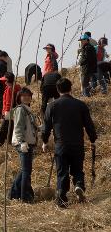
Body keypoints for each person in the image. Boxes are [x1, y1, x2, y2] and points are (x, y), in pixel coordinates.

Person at [42, 78, 97, 208]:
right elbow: (89, 125)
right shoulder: (80, 105)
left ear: (57, 90)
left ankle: (62, 198)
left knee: (62, 171)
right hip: (77, 143)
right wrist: (93, 139)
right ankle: (79, 185)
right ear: (70, 88)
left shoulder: (52, 106)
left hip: (61, 144)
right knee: (78, 169)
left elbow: (46, 126)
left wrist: (45, 141)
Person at [9, 87, 38, 203]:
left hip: (28, 143)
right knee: (26, 171)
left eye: (28, 95)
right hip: (23, 143)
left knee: (25, 170)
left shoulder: (28, 110)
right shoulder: (21, 109)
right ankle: (25, 196)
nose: (27, 97)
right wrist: (21, 142)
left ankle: (13, 194)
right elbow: (18, 127)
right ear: (19, 98)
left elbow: (30, 127)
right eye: (24, 96)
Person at [0, 72, 21, 146]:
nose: (4, 82)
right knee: (11, 127)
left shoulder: (10, 89)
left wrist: (6, 111)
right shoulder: (17, 87)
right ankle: (10, 142)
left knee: (4, 127)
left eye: (5, 80)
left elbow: (9, 101)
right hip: (16, 110)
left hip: (9, 111)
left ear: (7, 80)